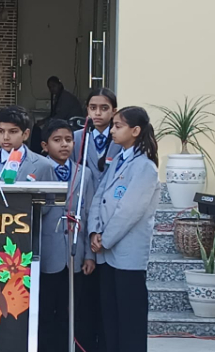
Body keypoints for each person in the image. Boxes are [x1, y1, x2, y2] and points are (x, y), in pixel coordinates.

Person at [88, 106, 160, 352]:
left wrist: (105, 238)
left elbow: (129, 211)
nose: (112, 131)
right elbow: (99, 196)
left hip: (127, 252)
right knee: (110, 316)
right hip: (106, 251)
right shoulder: (118, 159)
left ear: (135, 131)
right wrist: (94, 231)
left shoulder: (145, 167)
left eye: (118, 126)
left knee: (130, 319)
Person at [71, 87, 121, 352]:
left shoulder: (121, 138)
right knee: (86, 293)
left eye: (104, 108)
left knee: (109, 294)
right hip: (84, 220)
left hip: (113, 219)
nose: (98, 113)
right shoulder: (76, 138)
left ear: (114, 111)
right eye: (93, 108)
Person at [38, 119, 95, 352]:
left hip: (74, 253)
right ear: (45, 145)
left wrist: (89, 254)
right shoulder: (38, 170)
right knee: (44, 311)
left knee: (69, 311)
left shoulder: (84, 173)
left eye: (69, 140)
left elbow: (89, 213)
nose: (64, 144)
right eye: (57, 140)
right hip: (46, 254)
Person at [0, 106, 53, 182]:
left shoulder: (43, 165)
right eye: (1, 131)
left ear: (25, 134)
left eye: (13, 132)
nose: (5, 137)